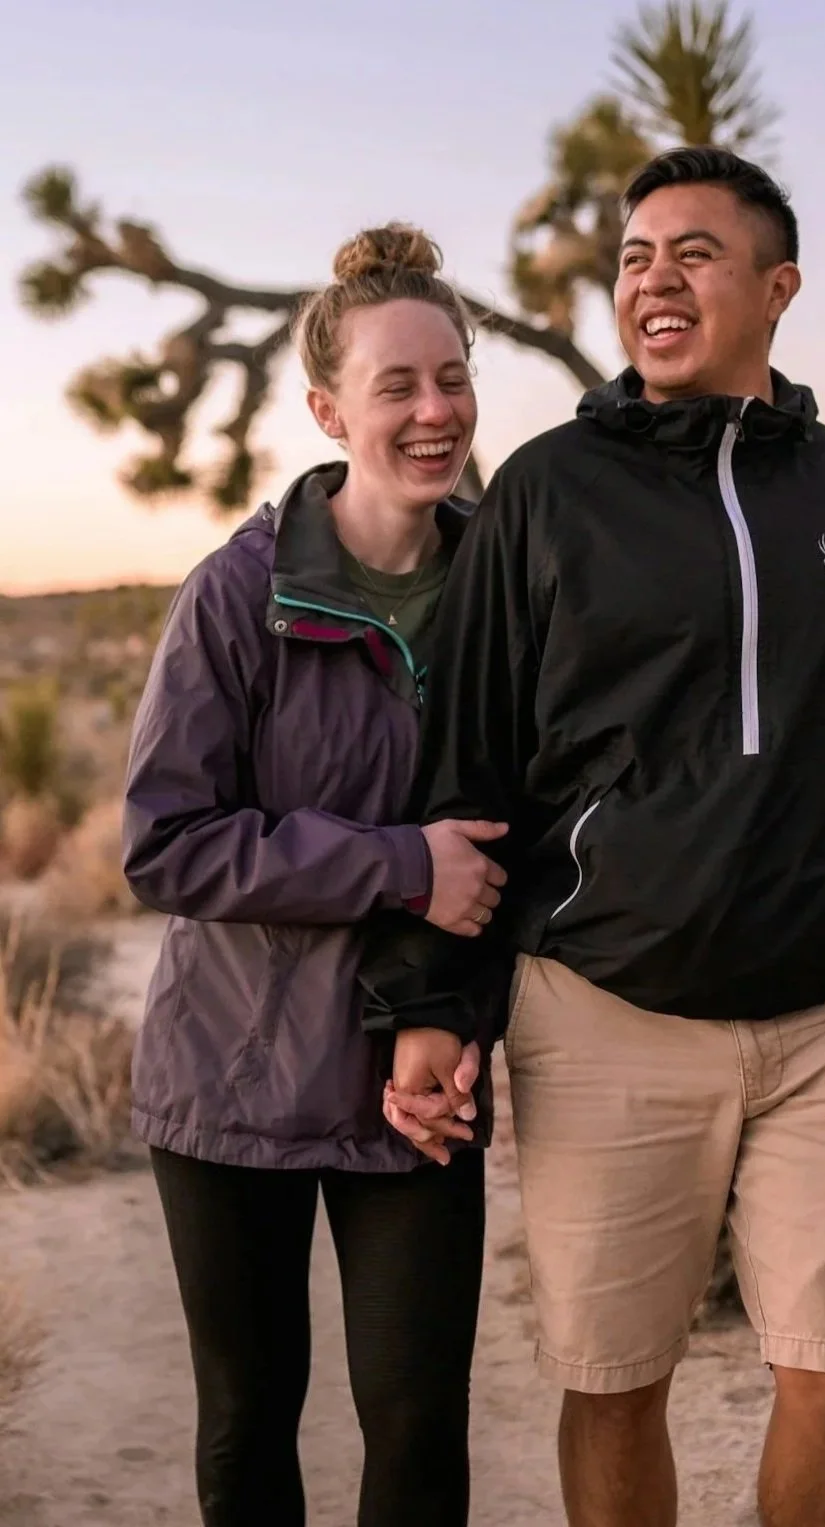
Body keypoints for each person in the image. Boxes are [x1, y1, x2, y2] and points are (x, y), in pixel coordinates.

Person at [366, 149, 825, 1527]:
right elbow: (463, 763)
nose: (655, 277)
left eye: (694, 253)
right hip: (603, 1005)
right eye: (636, 255)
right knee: (612, 1379)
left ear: (775, 288)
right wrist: (429, 998)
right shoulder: (544, 492)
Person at [121, 223, 508, 1527]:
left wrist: (453, 1019)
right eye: (397, 384)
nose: (433, 409)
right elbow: (165, 839)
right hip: (232, 1068)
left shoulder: (507, 597)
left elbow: (531, 838)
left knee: (415, 1428)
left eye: (450, 376)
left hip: (415, 1085)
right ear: (329, 406)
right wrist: (399, 863)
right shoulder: (238, 598)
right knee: (249, 1418)